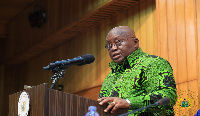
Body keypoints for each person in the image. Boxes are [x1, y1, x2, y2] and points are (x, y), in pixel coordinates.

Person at [98, 26, 177, 116]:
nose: (113, 48)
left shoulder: (153, 63)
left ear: (135, 43)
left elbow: (168, 97)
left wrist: (129, 102)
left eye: (118, 42)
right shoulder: (111, 75)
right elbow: (102, 105)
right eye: (109, 46)